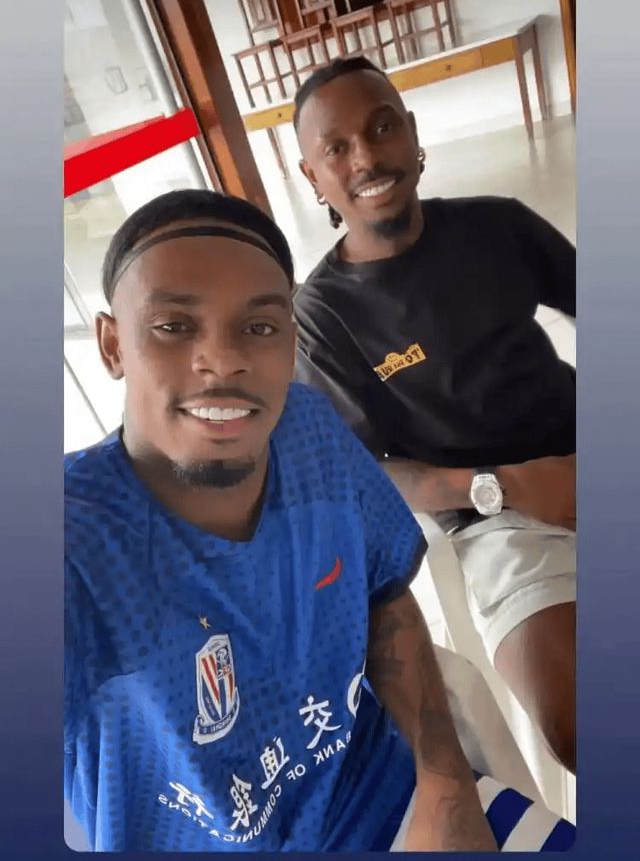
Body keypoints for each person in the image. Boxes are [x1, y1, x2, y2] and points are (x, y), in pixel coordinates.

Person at [65, 189, 574, 851]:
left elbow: (385, 596)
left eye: (259, 327)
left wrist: (445, 784)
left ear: (290, 341)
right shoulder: (73, 544)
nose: (223, 360)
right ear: (112, 345)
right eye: (173, 326)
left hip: (393, 800)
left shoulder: (309, 432)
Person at [293, 57, 577, 774]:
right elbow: (367, 474)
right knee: (579, 721)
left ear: (413, 134)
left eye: (382, 127)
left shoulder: (497, 226)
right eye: (337, 148)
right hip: (498, 518)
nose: (367, 158)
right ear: (313, 177)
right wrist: (505, 487)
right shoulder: (324, 316)